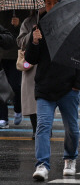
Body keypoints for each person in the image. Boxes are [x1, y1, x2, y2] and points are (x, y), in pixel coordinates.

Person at [27, 0, 80, 181]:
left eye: (56, 2)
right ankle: (42, 164)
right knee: (43, 126)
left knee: (71, 126)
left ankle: (70, 158)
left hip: (69, 86)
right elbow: (31, 59)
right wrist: (34, 42)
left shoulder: (74, 25)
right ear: (44, 5)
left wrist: (79, 82)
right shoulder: (39, 27)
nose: (52, 6)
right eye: (48, 3)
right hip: (45, 87)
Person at [0, 10, 24, 129]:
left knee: (16, 86)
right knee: (1, 87)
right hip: (2, 55)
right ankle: (3, 117)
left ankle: (18, 108)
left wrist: (17, 26)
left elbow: (24, 36)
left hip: (16, 54)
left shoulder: (23, 10)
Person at [16, 10, 39, 138]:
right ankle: (36, 128)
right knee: (31, 97)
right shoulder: (28, 22)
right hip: (31, 64)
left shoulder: (56, 18)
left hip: (48, 64)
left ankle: (45, 127)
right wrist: (32, 33)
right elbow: (20, 42)